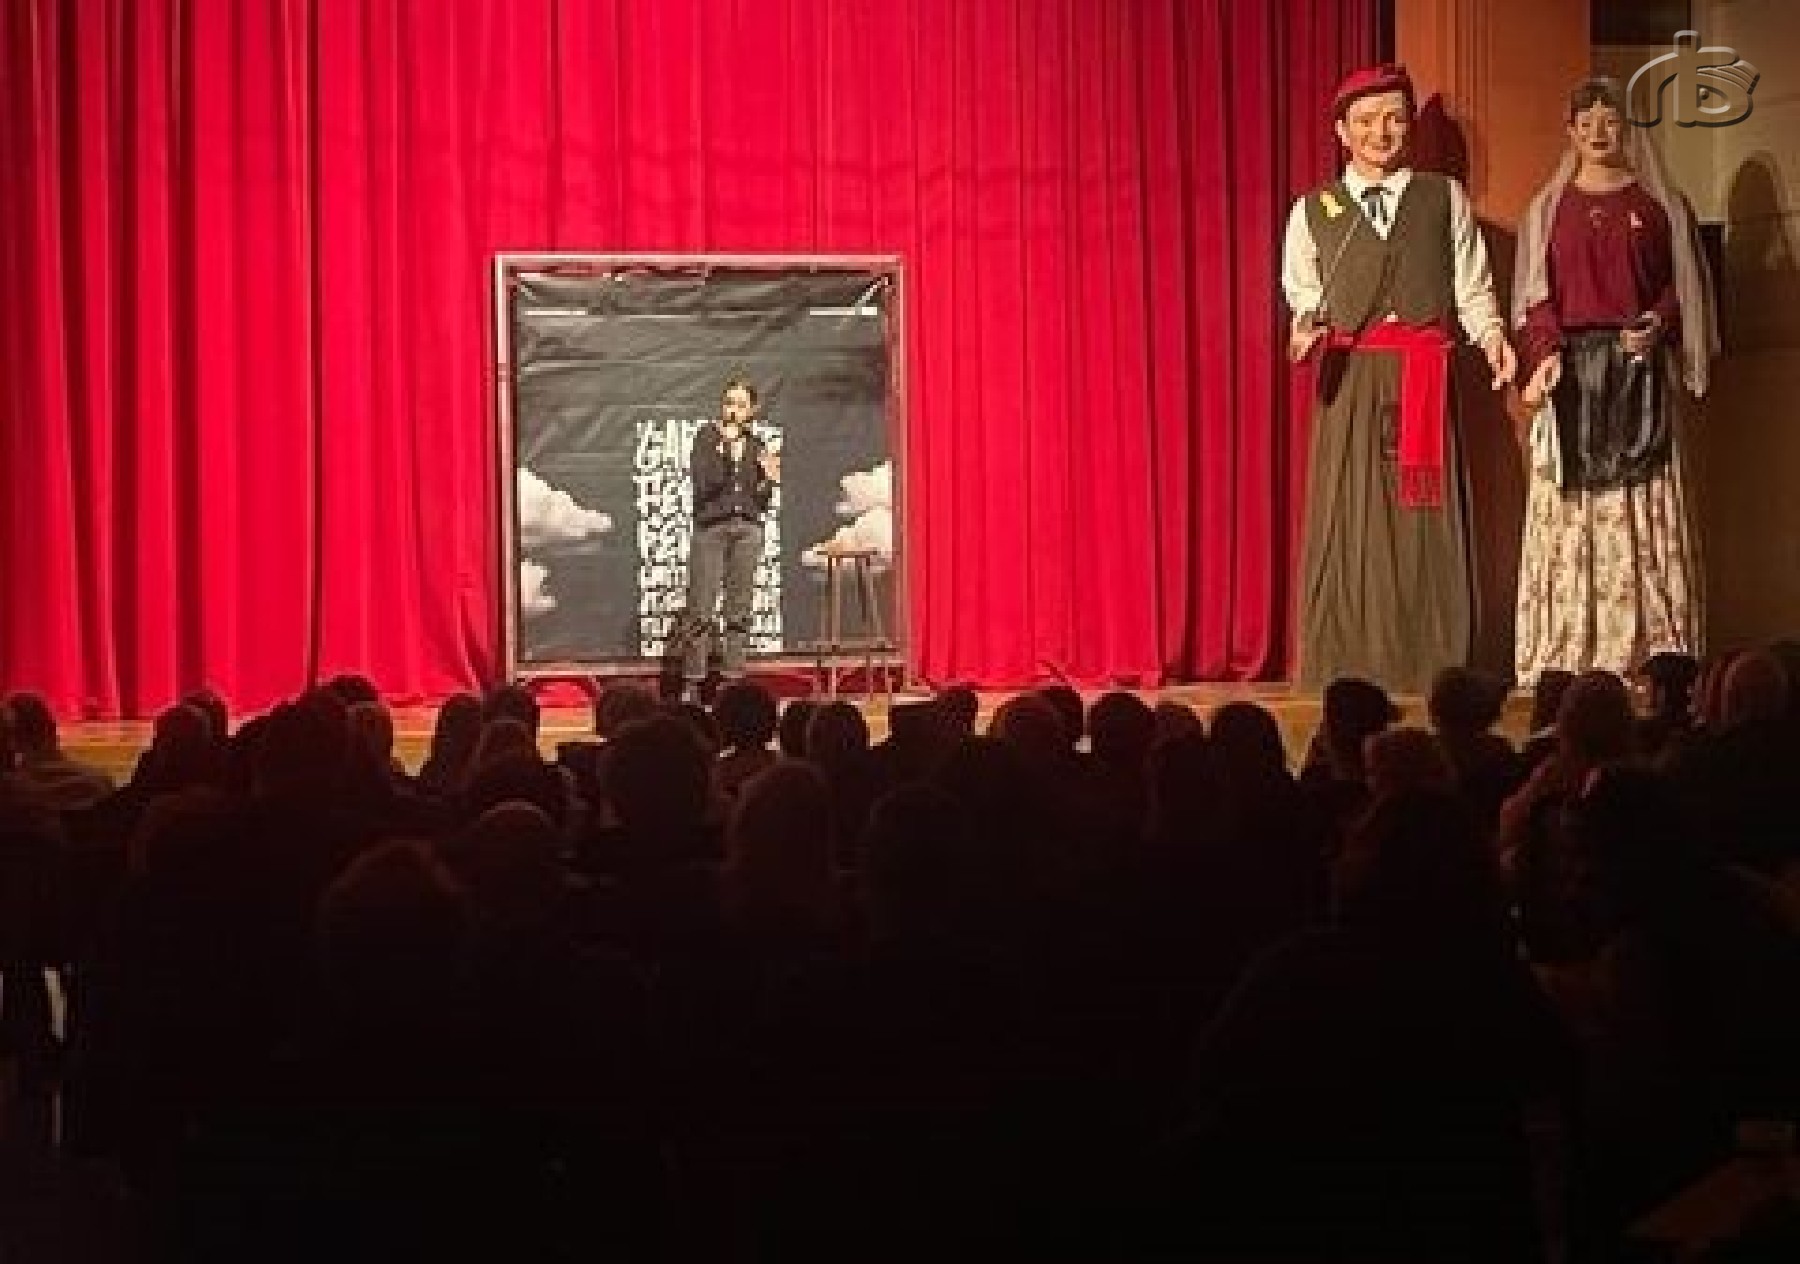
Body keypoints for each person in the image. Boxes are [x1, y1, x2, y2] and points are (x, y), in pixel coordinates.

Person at [1283, 63, 1516, 693]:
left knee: (1423, 515)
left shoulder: (1443, 198)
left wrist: (1493, 336)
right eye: (1365, 121)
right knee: (1351, 516)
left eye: (1392, 119)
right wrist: (1305, 331)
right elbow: (1304, 297)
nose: (1380, 133)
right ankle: (1348, 665)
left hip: (1423, 376)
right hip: (1352, 380)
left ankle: (1431, 663)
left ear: (1408, 124)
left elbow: (1472, 287)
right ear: (1341, 131)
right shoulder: (1313, 211)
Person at [1511, 77, 1716, 686]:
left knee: (1640, 504)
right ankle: (1570, 649)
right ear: (1570, 131)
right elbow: (1536, 296)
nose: (1599, 132)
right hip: (1574, 378)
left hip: (1636, 377)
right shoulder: (1548, 210)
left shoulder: (1656, 207)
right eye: (1587, 122)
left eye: (1609, 120)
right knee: (1575, 508)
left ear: (1626, 128)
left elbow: (1678, 287)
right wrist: (1545, 354)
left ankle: (1650, 649)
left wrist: (1656, 324)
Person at [679, 377, 780, 700]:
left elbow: (761, 501)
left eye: (740, 404)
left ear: (752, 410)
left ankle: (733, 682)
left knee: (739, 611)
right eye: (728, 403)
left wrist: (770, 481)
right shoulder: (706, 439)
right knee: (701, 609)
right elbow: (704, 485)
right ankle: (693, 683)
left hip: (747, 531)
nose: (733, 410)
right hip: (711, 530)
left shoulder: (757, 446)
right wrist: (726, 453)